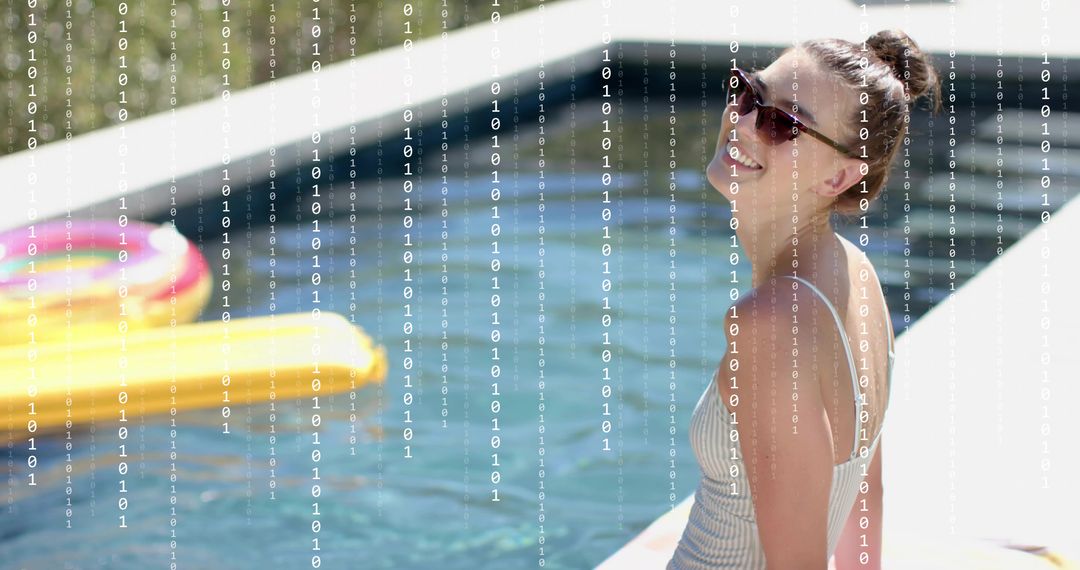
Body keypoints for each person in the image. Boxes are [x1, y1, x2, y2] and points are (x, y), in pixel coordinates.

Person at [667, 30, 941, 569]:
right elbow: (865, 502)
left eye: (781, 123)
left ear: (839, 176)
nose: (742, 124)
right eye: (750, 94)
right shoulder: (855, 275)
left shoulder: (769, 326)